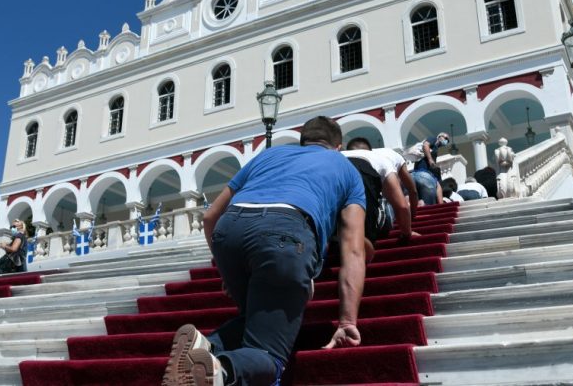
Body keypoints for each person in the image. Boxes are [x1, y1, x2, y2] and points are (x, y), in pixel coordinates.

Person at [161, 116, 366, 386]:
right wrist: (347, 320)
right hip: (287, 232)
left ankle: (205, 346)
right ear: (337, 146)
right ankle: (219, 370)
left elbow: (211, 216)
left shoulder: (269, 155)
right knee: (268, 355)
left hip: (230, 229)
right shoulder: (346, 167)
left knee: (258, 319)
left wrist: (226, 269)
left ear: (302, 142)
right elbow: (353, 249)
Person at [343, 137, 418, 261]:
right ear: (370, 151)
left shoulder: (336, 156)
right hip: (367, 195)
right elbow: (403, 205)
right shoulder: (381, 158)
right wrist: (407, 233)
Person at [410, 133, 449, 205]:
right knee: (438, 184)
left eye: (448, 141)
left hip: (416, 174)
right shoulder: (434, 139)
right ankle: (441, 205)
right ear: (440, 136)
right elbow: (425, 145)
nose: (446, 141)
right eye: (446, 138)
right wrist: (430, 159)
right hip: (423, 172)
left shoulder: (435, 147)